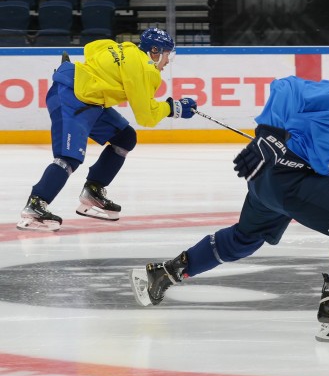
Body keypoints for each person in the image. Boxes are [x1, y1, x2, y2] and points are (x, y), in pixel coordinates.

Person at [129, 50, 329, 343]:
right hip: (288, 175)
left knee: (244, 238)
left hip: (269, 177)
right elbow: (286, 87)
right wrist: (269, 134)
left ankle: (166, 273)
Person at [17, 28, 198, 232]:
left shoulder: (123, 46)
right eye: (167, 55)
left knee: (125, 137)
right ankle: (36, 205)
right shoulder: (146, 70)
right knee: (69, 158)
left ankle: (93, 191)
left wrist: (105, 71)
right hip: (71, 99)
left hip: (87, 99)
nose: (167, 62)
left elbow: (91, 48)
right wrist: (173, 108)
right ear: (155, 51)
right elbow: (146, 116)